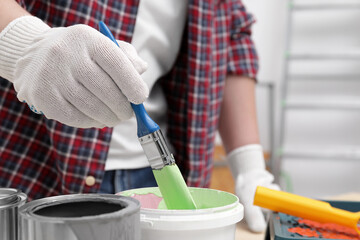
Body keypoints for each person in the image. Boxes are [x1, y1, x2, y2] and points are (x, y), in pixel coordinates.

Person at [0, 0, 278, 232]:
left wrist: (249, 165)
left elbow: (232, 38)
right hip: (37, 166)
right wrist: (24, 43)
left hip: (159, 177)